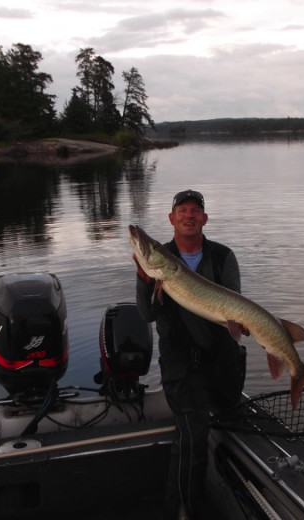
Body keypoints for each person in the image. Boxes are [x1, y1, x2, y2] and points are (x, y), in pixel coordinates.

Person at [134, 189, 247, 520]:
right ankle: (182, 513)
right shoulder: (161, 260)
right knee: (193, 440)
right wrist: (144, 280)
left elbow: (234, 309)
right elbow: (147, 315)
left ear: (204, 219)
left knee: (232, 424)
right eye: (182, 210)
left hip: (222, 361)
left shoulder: (223, 256)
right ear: (172, 218)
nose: (189, 215)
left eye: (195, 210)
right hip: (182, 367)